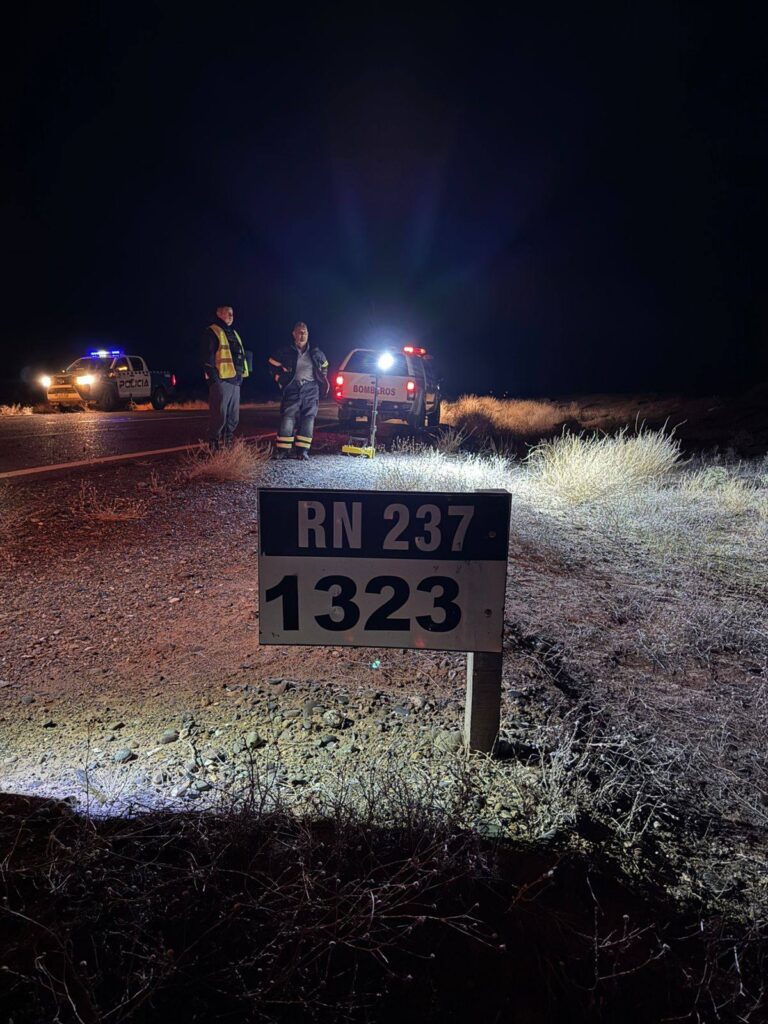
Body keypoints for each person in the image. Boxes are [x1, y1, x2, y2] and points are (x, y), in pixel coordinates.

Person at [268, 322, 329, 459]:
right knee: (287, 417)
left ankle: (303, 451)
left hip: (311, 388)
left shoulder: (316, 352)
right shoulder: (286, 351)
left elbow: (325, 365)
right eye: (299, 332)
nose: (302, 335)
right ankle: (283, 450)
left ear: (308, 334)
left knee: (308, 418)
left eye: (305, 332)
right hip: (293, 387)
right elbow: (272, 363)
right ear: (293, 334)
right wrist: (279, 378)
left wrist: (322, 377)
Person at [202, 305, 249, 448]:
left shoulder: (233, 333)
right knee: (219, 416)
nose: (231, 316)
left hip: (235, 381)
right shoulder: (212, 331)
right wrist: (215, 379)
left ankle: (228, 443)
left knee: (233, 417)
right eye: (227, 313)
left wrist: (241, 377)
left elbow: (240, 356)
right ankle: (214, 445)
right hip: (222, 381)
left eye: (232, 313)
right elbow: (206, 357)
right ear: (218, 313)